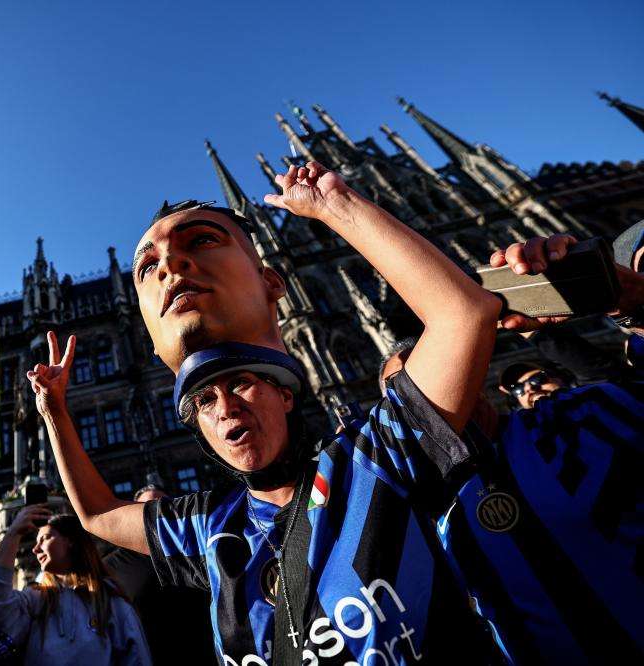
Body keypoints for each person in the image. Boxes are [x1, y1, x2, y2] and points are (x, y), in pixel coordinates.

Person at [27, 160, 506, 664]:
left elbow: (463, 314)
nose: (226, 407)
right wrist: (53, 409)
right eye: (204, 401)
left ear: (287, 393)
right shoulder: (211, 528)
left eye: (202, 241)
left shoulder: (381, 459)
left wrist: (337, 208)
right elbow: (98, 514)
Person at [377, 233, 644, 663]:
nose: (426, 402)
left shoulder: (581, 417)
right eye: (404, 397)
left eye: (436, 377)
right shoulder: (405, 519)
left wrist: (630, 296)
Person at [0, 508, 151, 665]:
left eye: (45, 538)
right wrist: (12, 535)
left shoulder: (112, 601)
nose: (35, 549)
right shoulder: (36, 598)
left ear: (70, 540)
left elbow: (137, 658)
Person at [103, 485, 217, 665]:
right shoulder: (112, 567)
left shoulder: (200, 550)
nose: (156, 512)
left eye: (163, 505)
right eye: (148, 507)